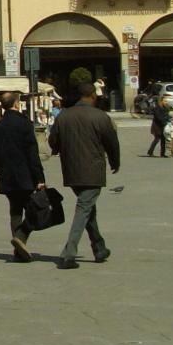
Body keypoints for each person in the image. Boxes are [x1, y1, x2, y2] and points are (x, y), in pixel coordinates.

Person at [47, 86, 120, 269]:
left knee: (87, 208)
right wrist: (114, 162)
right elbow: (112, 142)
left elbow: (52, 140)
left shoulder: (63, 115)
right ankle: (69, 253)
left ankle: (99, 247)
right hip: (93, 170)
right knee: (84, 208)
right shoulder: (100, 116)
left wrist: (58, 149)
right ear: (93, 96)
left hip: (71, 170)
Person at [0, 92, 48, 262]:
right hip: (26, 176)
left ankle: (18, 251)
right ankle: (21, 238)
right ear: (16, 104)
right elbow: (32, 153)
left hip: (7, 176)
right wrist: (40, 178)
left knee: (15, 212)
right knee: (35, 212)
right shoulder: (25, 124)